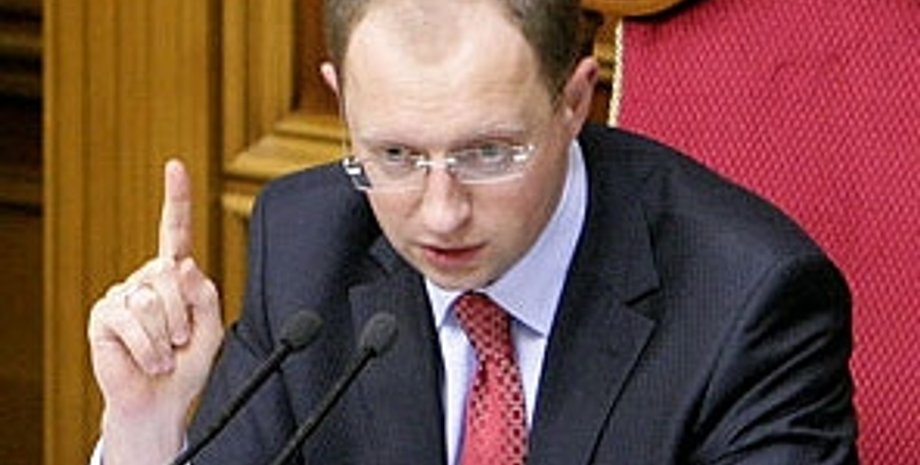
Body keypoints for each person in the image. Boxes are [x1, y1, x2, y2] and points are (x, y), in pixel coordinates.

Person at [87, 0, 859, 464]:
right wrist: (147, 427)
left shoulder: (746, 301)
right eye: (395, 155)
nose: (439, 212)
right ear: (341, 100)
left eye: (488, 153)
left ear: (574, 100)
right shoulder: (307, 245)